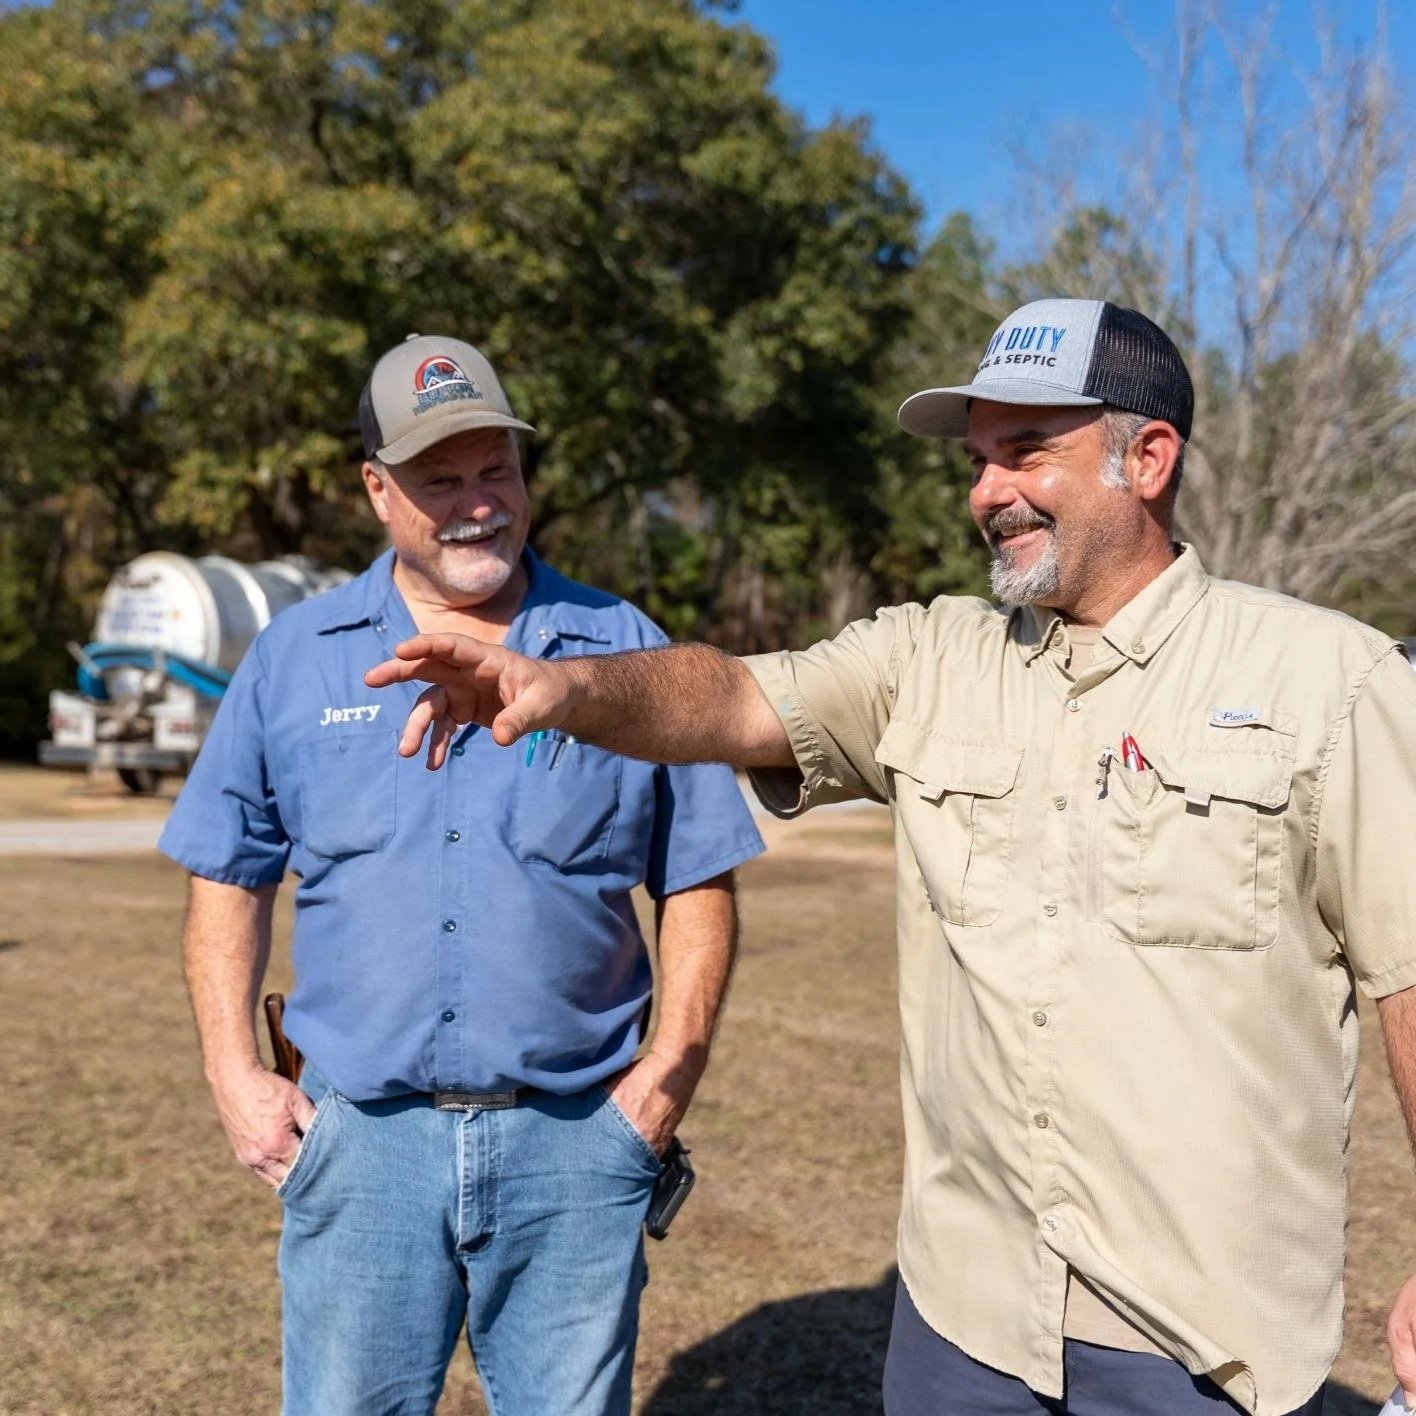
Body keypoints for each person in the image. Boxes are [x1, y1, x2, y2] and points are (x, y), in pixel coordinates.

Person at [365, 299, 1416, 1416]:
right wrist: (567, 687)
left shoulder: (1334, 684)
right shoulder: (927, 658)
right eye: (975, 461)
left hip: (1207, 1344)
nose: (985, 492)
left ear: (1148, 456)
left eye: (1024, 453)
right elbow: (730, 693)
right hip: (965, 1324)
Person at [160, 333, 764, 1416]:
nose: (479, 502)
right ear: (378, 490)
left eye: (498, 469)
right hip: (361, 1152)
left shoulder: (618, 651)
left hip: (578, 1146)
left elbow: (700, 876)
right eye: (442, 479)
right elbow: (226, 871)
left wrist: (666, 1077)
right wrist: (232, 1076)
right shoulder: (295, 658)